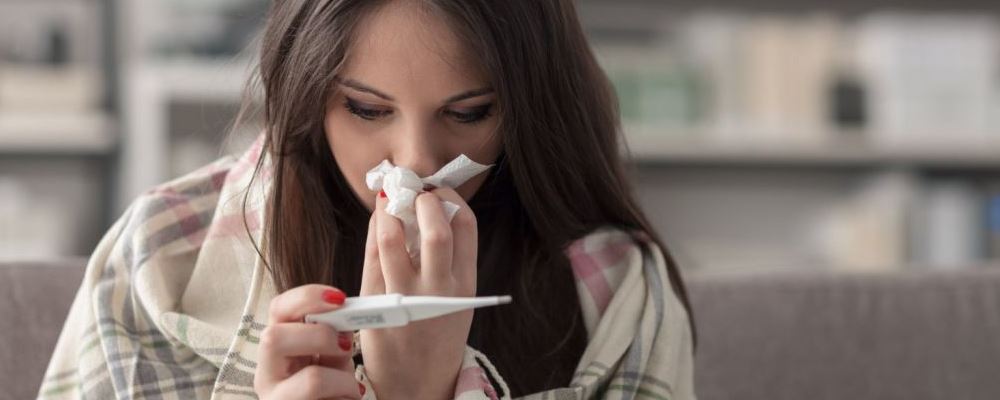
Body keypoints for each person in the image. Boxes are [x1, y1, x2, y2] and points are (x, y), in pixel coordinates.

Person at [38, 1, 696, 399]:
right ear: (306, 93)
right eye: (366, 108)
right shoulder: (162, 262)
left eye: (468, 113)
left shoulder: (617, 294)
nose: (416, 163)